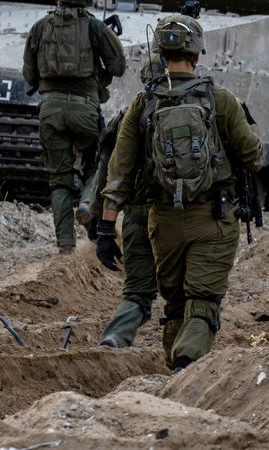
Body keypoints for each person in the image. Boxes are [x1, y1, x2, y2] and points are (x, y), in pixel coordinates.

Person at [100, 14, 263, 371]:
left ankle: (173, 368)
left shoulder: (143, 105)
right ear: (198, 55)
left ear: (160, 52)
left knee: (175, 303)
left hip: (164, 221)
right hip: (214, 219)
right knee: (202, 301)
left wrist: (105, 228)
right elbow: (252, 157)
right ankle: (186, 364)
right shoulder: (221, 100)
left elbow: (120, 171)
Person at [22, 0, 126, 255]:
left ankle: (65, 247)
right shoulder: (96, 27)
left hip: (50, 111)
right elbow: (118, 66)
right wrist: (98, 74)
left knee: (59, 178)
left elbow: (29, 75)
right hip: (85, 110)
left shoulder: (41, 27)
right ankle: (86, 202)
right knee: (98, 161)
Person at [86, 57, 164, 348]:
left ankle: (116, 336)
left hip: (138, 215)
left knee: (137, 291)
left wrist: (100, 223)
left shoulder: (126, 118)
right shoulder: (203, 109)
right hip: (184, 216)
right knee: (190, 293)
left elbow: (107, 172)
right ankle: (186, 356)